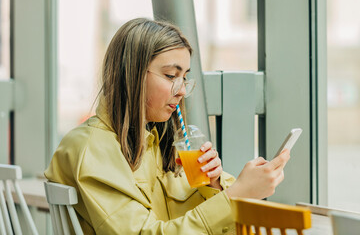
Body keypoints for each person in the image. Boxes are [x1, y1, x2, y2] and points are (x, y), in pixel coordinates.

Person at [45, 17, 290, 234]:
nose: (182, 90)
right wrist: (236, 195)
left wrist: (214, 185)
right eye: (171, 76)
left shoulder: (163, 144)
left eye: (184, 77)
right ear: (131, 73)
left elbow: (199, 224)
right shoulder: (92, 148)